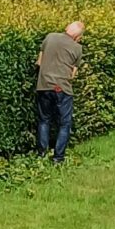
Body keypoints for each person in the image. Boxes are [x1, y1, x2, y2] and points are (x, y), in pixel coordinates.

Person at [34, 19, 84, 163]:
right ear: (77, 37)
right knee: (64, 123)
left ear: (67, 28)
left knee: (44, 120)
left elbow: (39, 62)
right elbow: (72, 75)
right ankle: (58, 157)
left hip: (43, 85)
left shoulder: (50, 37)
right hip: (62, 88)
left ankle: (41, 154)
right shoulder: (77, 48)